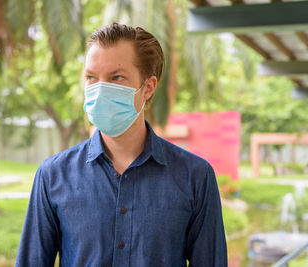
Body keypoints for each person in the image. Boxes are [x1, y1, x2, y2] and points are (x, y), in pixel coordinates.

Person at [15, 23, 227, 267]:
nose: (100, 89)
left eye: (116, 78)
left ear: (148, 88)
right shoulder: (52, 175)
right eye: (91, 78)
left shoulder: (195, 176)